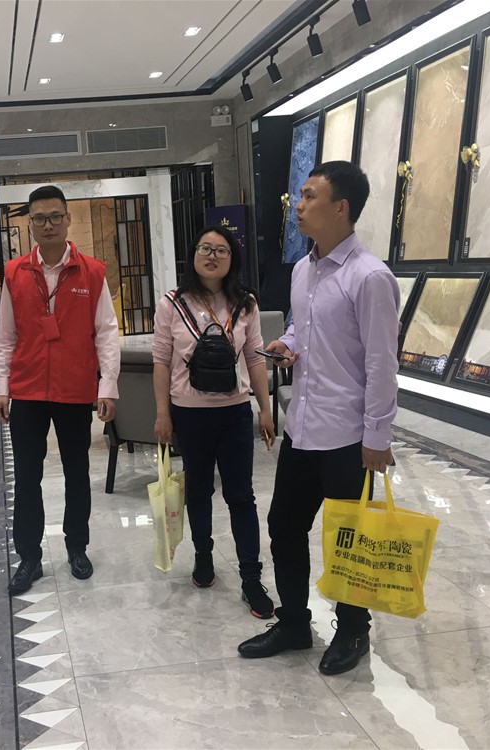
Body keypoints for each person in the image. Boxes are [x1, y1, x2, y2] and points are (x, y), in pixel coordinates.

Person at [237, 161, 399, 675]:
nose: (298, 206)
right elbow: (303, 328)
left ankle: (353, 630)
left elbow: (382, 364)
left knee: (347, 537)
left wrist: (377, 436)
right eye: (299, 196)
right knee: (284, 525)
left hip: (348, 434)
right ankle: (294, 623)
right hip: (303, 426)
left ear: (341, 207)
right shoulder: (303, 269)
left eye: (309, 196)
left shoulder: (370, 277)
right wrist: (287, 343)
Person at [0, 185, 120, 596]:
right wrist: (2, 387)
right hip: (28, 389)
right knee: (27, 476)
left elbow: (106, 333)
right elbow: (5, 336)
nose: (47, 225)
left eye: (55, 217)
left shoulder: (92, 272)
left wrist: (108, 386)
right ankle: (29, 557)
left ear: (68, 220)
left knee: (76, 472)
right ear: (30, 223)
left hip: (75, 389)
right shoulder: (15, 273)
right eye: (39, 218)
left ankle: (77, 547)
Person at [152, 225, 276, 618]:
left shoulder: (245, 303)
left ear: (231, 259)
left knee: (241, 496)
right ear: (193, 255)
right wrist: (162, 414)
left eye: (221, 250)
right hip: (189, 413)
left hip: (234, 412)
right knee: (200, 491)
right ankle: (203, 559)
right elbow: (161, 361)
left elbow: (255, 358)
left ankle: (251, 578)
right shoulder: (172, 303)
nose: (212, 256)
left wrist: (265, 408)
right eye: (205, 248)